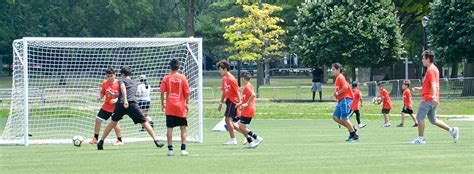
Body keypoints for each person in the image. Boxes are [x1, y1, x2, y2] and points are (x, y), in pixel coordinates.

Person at [97, 66, 164, 150]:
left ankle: (101, 141)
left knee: (112, 123)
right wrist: (115, 95)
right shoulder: (135, 83)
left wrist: (124, 100)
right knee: (144, 122)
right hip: (132, 104)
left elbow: (123, 89)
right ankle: (156, 140)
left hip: (122, 104)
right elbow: (130, 93)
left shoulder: (121, 80)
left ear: (123, 74)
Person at [410, 50, 459, 144]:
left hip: (428, 99)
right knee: (433, 120)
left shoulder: (430, 70)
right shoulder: (435, 69)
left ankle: (421, 139)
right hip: (432, 99)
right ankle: (452, 130)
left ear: (428, 59)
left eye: (423, 58)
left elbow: (434, 84)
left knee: (419, 118)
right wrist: (420, 89)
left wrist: (433, 96)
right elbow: (429, 85)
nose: (422, 60)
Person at [160, 59, 191, 156]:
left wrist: (162, 104)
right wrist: (187, 103)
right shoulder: (183, 77)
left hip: (170, 106)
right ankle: (183, 150)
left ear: (170, 67)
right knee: (183, 128)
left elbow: (162, 92)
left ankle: (170, 150)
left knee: (169, 128)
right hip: (180, 106)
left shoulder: (166, 78)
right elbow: (187, 93)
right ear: (179, 67)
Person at [89, 67, 123, 146]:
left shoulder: (119, 83)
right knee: (98, 119)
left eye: (111, 75)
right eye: (108, 76)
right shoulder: (105, 83)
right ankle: (95, 138)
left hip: (116, 107)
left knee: (115, 123)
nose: (110, 78)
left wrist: (116, 100)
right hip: (106, 106)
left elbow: (122, 95)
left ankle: (119, 140)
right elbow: (103, 92)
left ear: (115, 75)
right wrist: (100, 97)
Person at [216, 60, 242, 145]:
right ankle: (248, 135)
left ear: (226, 69)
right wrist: (220, 103)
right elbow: (224, 91)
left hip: (233, 101)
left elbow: (238, 91)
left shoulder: (231, 79)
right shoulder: (224, 79)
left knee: (227, 119)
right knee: (232, 124)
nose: (219, 71)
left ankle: (233, 140)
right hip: (228, 101)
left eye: (220, 69)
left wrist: (240, 102)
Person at [331, 63, 358, 142]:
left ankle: (354, 135)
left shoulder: (340, 77)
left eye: (333, 69)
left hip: (346, 99)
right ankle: (352, 128)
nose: (332, 71)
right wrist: (336, 94)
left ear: (338, 69)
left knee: (344, 118)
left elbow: (345, 87)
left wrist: (338, 93)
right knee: (335, 117)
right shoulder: (338, 78)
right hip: (341, 100)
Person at [237, 72, 263, 148]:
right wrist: (240, 103)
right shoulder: (247, 86)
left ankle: (257, 138)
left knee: (242, 127)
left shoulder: (248, 86)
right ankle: (250, 143)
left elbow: (253, 95)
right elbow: (245, 98)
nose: (241, 80)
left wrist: (246, 104)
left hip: (248, 110)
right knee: (242, 127)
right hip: (247, 110)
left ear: (243, 79)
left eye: (241, 79)